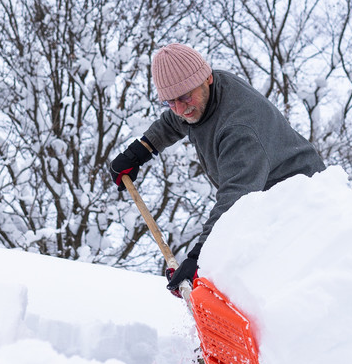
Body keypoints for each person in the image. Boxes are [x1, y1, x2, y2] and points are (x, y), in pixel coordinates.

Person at [109, 43, 325, 296]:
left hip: (301, 207)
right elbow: (178, 119)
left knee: (283, 287)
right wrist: (140, 150)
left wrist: (199, 257)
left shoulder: (240, 129)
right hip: (264, 201)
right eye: (170, 102)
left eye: (185, 97)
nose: (180, 109)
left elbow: (235, 201)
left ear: (207, 78)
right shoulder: (204, 93)